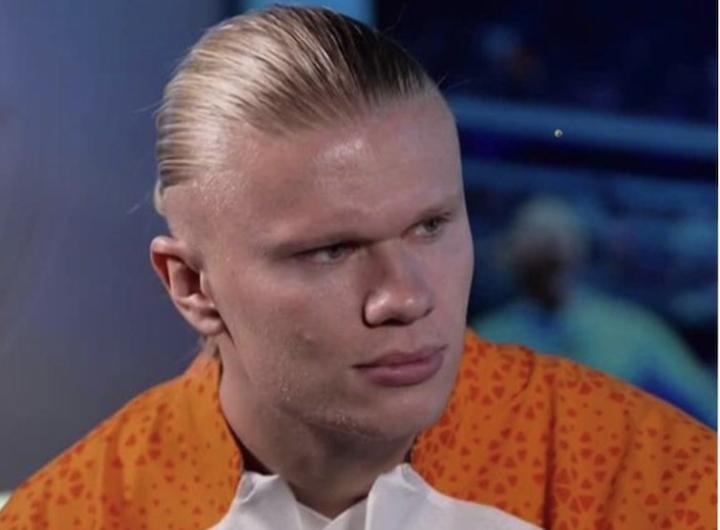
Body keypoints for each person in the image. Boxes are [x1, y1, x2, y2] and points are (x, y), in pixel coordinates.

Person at [1, 6, 715, 530]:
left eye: (430, 226)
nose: (404, 296)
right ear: (192, 286)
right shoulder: (73, 516)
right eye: (332, 250)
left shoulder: (660, 482)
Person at [472, 195, 718, 427]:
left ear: (582, 250)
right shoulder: (488, 339)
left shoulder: (634, 332)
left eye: (557, 243)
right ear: (510, 256)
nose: (550, 250)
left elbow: (706, 406)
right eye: (539, 245)